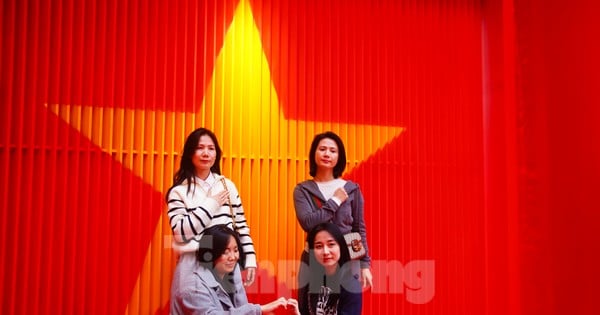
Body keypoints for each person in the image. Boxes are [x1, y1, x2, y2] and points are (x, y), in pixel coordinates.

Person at [166, 128, 257, 312]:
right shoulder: (178, 192)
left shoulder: (227, 185)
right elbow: (181, 233)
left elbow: (240, 225)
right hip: (194, 262)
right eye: (200, 148)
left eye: (211, 148)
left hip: (228, 261)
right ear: (190, 152)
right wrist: (211, 203)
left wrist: (250, 258)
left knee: (238, 310)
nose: (206, 153)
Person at [293, 131, 373, 313]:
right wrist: (335, 201)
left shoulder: (352, 189)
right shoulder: (302, 190)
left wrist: (364, 264)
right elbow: (308, 223)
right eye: (322, 149)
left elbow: (357, 229)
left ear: (340, 157)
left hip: (345, 261)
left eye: (332, 150)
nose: (327, 154)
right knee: (310, 309)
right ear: (314, 154)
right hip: (314, 259)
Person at [171, 224, 300, 314]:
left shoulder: (227, 274)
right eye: (225, 252)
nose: (233, 257)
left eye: (236, 250)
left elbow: (240, 308)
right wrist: (260, 310)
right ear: (211, 253)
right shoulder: (192, 287)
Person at [299, 222, 362, 315]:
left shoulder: (351, 286)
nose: (325, 251)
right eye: (319, 246)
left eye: (331, 244)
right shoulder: (310, 280)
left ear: (340, 247)